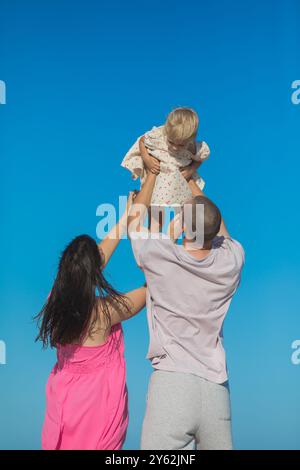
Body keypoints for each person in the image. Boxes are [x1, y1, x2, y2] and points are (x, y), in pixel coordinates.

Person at [127, 172, 245, 450]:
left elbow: (134, 225)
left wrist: (153, 182)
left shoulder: (160, 257)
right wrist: (191, 181)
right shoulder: (231, 263)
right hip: (216, 388)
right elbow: (221, 232)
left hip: (172, 384)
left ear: (183, 228)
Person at [35, 193, 146, 450]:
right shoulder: (105, 312)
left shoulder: (55, 301)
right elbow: (148, 291)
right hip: (96, 407)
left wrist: (126, 215)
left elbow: (91, 265)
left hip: (63, 402)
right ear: (93, 272)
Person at [121, 107, 210, 207]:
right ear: (167, 131)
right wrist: (147, 159)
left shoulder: (192, 147)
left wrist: (191, 169)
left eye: (181, 145)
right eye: (171, 142)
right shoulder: (159, 135)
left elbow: (201, 157)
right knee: (155, 209)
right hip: (159, 174)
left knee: (190, 206)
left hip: (176, 178)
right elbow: (142, 141)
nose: (175, 147)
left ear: (191, 139)